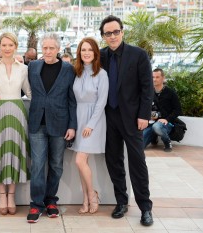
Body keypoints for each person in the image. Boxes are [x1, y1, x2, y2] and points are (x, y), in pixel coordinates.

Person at [99, 15, 154, 226]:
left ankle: (145, 208)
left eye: (115, 32)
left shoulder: (138, 54)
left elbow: (147, 88)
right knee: (114, 161)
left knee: (137, 162)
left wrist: (144, 115)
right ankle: (121, 202)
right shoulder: (100, 56)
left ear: (122, 31)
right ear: (103, 36)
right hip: (108, 117)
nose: (112, 36)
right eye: (107, 33)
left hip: (132, 119)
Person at [26, 32, 77, 223]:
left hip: (60, 124)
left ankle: (51, 201)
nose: (48, 51)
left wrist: (73, 126)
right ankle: (36, 204)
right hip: (37, 123)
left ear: (58, 49)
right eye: (45, 48)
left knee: (56, 165)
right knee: (38, 165)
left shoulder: (68, 69)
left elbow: (72, 100)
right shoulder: (32, 66)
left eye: (51, 48)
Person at [0, 32, 32, 215]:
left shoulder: (23, 68)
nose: (7, 48)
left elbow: (30, 93)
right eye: (4, 45)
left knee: (14, 150)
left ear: (15, 46)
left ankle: (11, 195)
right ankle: (1, 196)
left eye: (10, 45)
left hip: (18, 113)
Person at [70, 37, 109, 214]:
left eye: (89, 50)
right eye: (83, 50)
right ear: (79, 53)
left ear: (95, 53)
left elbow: (101, 102)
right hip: (78, 118)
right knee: (81, 162)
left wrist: (91, 125)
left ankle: (92, 194)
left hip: (94, 120)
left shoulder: (101, 74)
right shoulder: (76, 73)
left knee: (80, 159)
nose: (86, 53)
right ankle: (85, 198)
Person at [143, 68, 182, 152]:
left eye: (157, 77)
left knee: (157, 126)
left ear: (163, 78)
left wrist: (166, 119)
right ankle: (154, 137)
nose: (154, 79)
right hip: (151, 123)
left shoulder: (171, 93)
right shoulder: (148, 92)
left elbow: (178, 110)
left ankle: (168, 143)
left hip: (166, 124)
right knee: (140, 146)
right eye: (153, 77)